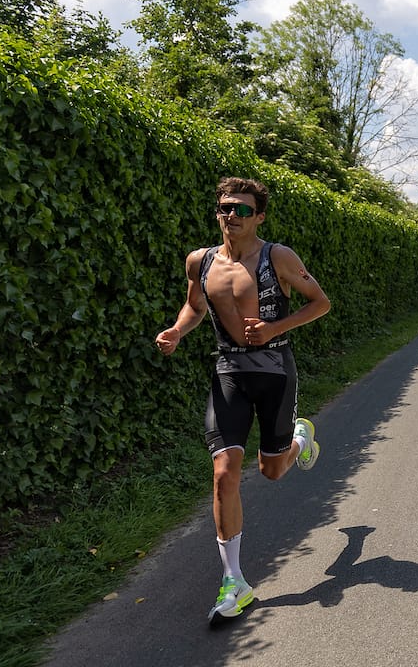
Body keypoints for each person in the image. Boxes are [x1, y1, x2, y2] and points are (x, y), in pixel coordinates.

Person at [154, 177, 331, 621]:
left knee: (271, 471)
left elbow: (320, 302)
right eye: (226, 208)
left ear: (260, 217)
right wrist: (177, 330)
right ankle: (234, 582)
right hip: (229, 371)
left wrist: (274, 328)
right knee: (224, 472)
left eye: (243, 210)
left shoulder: (279, 257)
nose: (232, 215)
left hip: (273, 371)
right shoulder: (201, 261)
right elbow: (194, 307)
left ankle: (298, 439)